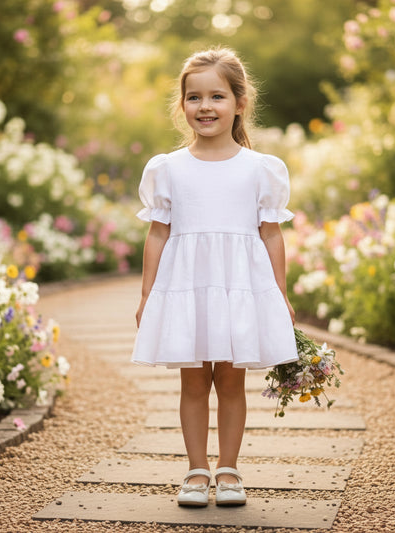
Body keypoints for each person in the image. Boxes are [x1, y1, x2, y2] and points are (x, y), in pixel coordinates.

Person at [131, 47, 298, 507]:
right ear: (182, 104)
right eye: (194, 97)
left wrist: (278, 294)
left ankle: (228, 470)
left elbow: (271, 236)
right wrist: (149, 295)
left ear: (240, 103)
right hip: (187, 290)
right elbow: (157, 235)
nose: (205, 106)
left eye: (217, 96)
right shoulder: (168, 168)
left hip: (238, 290)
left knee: (230, 381)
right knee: (192, 382)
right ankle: (195, 471)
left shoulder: (260, 169)